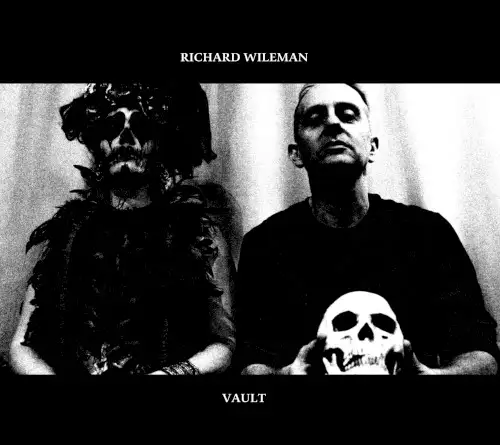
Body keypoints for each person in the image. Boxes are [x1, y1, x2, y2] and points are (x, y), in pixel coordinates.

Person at [235, 83, 499, 375]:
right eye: (315, 118)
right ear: (296, 154)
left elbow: (482, 355)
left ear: (372, 147)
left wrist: (435, 377)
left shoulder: (428, 234)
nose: (333, 124)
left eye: (348, 115)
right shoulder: (265, 245)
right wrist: (284, 376)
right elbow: (251, 363)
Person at [10, 82, 235, 375]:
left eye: (141, 127)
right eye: (112, 127)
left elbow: (224, 345)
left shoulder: (199, 234)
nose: (125, 140)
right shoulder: (68, 234)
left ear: (160, 141)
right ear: (98, 142)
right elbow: (22, 346)